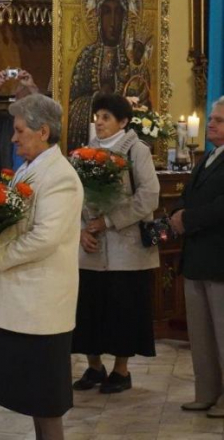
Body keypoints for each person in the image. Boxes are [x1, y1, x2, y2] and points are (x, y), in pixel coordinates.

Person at [0, 94, 83, 440]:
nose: (14, 137)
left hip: (41, 305)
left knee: (46, 398)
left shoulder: (60, 177)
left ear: (44, 131)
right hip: (23, 302)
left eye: (20, 130)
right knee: (34, 396)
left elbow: (45, 238)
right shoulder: (28, 168)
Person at [72, 94, 160, 393]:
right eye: (96, 115)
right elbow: (73, 197)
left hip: (126, 248)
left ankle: (121, 371)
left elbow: (148, 196)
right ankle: (94, 367)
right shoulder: (83, 154)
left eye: (106, 117)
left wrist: (108, 221)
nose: (98, 121)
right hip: (91, 248)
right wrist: (82, 229)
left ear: (123, 121)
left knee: (123, 311)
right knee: (88, 310)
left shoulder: (137, 151)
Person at [170, 97, 224, 417]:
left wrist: (187, 219)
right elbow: (187, 194)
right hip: (197, 257)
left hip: (219, 257)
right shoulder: (209, 157)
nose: (212, 123)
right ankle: (207, 391)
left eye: (219, 119)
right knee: (201, 333)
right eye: (213, 118)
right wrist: (177, 212)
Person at [68, 0, 147, 150]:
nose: (113, 22)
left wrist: (136, 65)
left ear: (126, 18)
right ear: (97, 17)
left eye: (119, 13)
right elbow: (72, 104)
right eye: (106, 13)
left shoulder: (132, 58)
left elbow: (144, 100)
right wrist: (96, 99)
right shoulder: (87, 56)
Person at [0, 68, 41, 169]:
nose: (22, 103)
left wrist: (32, 88)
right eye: (18, 98)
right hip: (8, 179)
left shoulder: (40, 124)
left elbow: (46, 113)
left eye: (27, 98)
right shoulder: (5, 124)